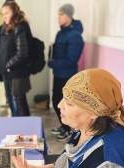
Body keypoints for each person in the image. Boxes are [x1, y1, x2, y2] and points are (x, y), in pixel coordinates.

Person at [49, 3, 84, 141]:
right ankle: (63, 126)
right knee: (55, 101)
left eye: (62, 14)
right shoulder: (60, 33)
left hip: (67, 76)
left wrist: (52, 63)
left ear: (69, 16)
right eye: (58, 14)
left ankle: (68, 130)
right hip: (58, 73)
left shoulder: (75, 35)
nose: (59, 17)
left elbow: (71, 59)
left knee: (66, 105)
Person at [0, 1, 32, 116]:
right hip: (9, 72)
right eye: (3, 14)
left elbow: (22, 53)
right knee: (13, 101)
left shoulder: (20, 27)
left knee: (19, 103)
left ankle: (23, 130)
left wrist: (8, 65)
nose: (4, 16)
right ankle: (18, 125)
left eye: (7, 13)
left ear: (14, 12)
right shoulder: (8, 28)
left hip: (17, 72)